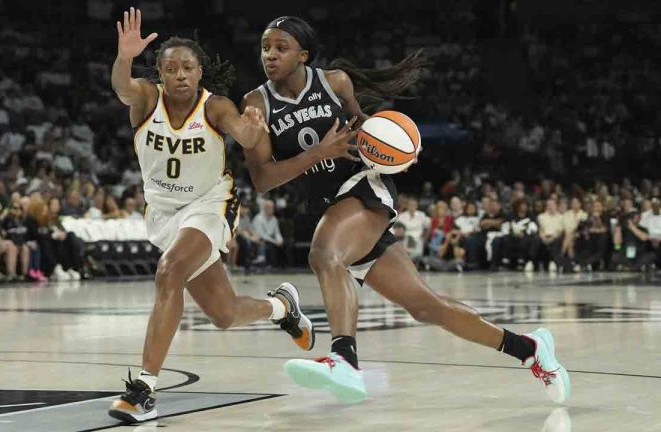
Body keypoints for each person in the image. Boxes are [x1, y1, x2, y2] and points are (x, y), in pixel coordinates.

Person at [242, 16, 569, 404]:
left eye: (281, 47)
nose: (271, 55)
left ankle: (344, 361)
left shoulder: (335, 82)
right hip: (331, 207)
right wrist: (317, 153)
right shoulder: (255, 103)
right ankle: (530, 348)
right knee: (426, 307)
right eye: (266, 47)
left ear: (303, 54)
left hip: (363, 189)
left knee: (322, 254)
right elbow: (263, 179)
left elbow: (365, 128)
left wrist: (397, 154)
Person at [107, 8, 313, 423]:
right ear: (160, 74)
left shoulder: (215, 106)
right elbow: (121, 87)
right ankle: (282, 308)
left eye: (187, 67)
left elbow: (243, 133)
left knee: (169, 272)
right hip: (164, 213)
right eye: (170, 68)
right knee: (224, 314)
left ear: (200, 72)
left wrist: (253, 131)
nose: (180, 74)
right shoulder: (147, 98)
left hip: (210, 205)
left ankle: (143, 390)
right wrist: (124, 57)